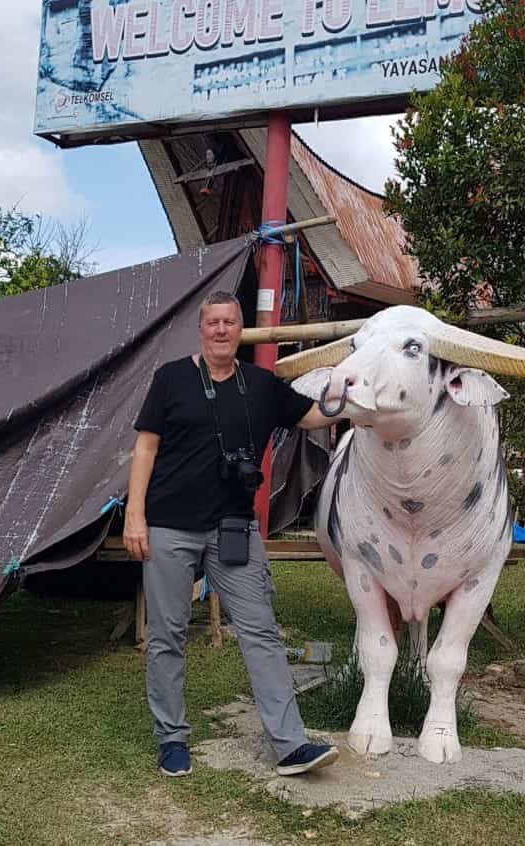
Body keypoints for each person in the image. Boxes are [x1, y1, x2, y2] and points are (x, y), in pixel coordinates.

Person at [124, 289, 340, 778]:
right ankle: (172, 739)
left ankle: (290, 745)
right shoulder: (172, 379)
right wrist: (134, 514)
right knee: (167, 635)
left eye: (229, 322)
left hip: (234, 529)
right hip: (170, 525)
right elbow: (145, 449)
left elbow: (313, 416)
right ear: (201, 329)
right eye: (212, 322)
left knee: (260, 631)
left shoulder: (262, 385)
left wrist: (357, 393)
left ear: (240, 330)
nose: (221, 330)